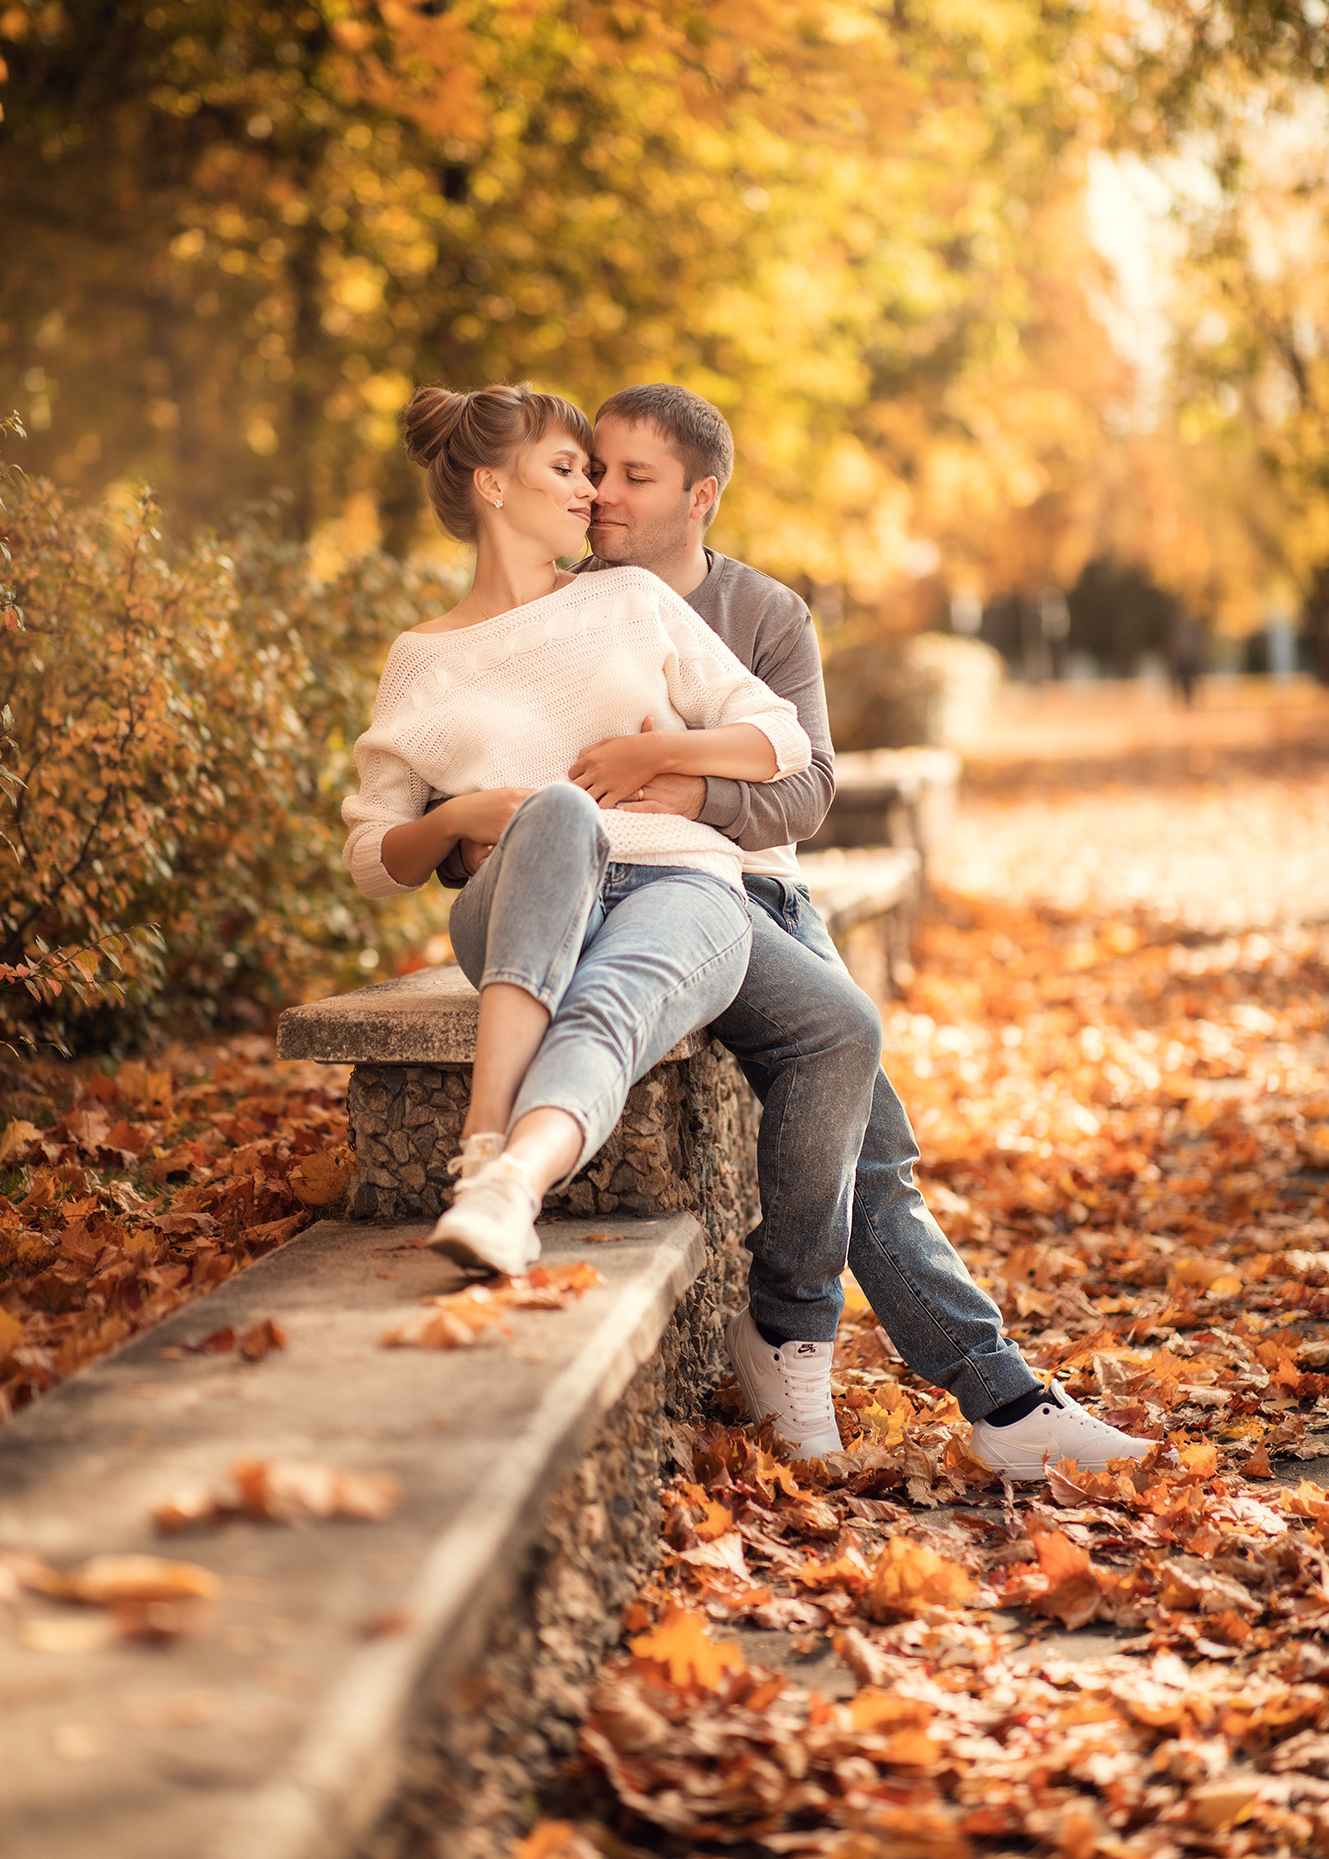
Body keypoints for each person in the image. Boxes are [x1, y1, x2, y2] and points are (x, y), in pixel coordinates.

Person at [439, 382, 1152, 1480]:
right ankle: (959, 1384)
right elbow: (504, 793)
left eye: (634, 475)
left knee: (876, 1148)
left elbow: (806, 788)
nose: (604, 495)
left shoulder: (762, 613)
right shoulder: (561, 604)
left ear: (700, 495)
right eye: (596, 470)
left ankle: (969, 1387)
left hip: (766, 893)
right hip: (652, 898)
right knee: (848, 1073)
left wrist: (679, 779)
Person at [341, 383, 814, 1282]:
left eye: (592, 474)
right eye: (566, 469)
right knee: (558, 810)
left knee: (609, 1003)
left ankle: (508, 1186)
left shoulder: (629, 598)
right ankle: (486, 1152)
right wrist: (459, 818)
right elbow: (372, 859)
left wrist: (659, 754)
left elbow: (782, 738)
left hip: (677, 886)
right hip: (522, 898)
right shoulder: (421, 660)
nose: (588, 493)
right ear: (491, 485)